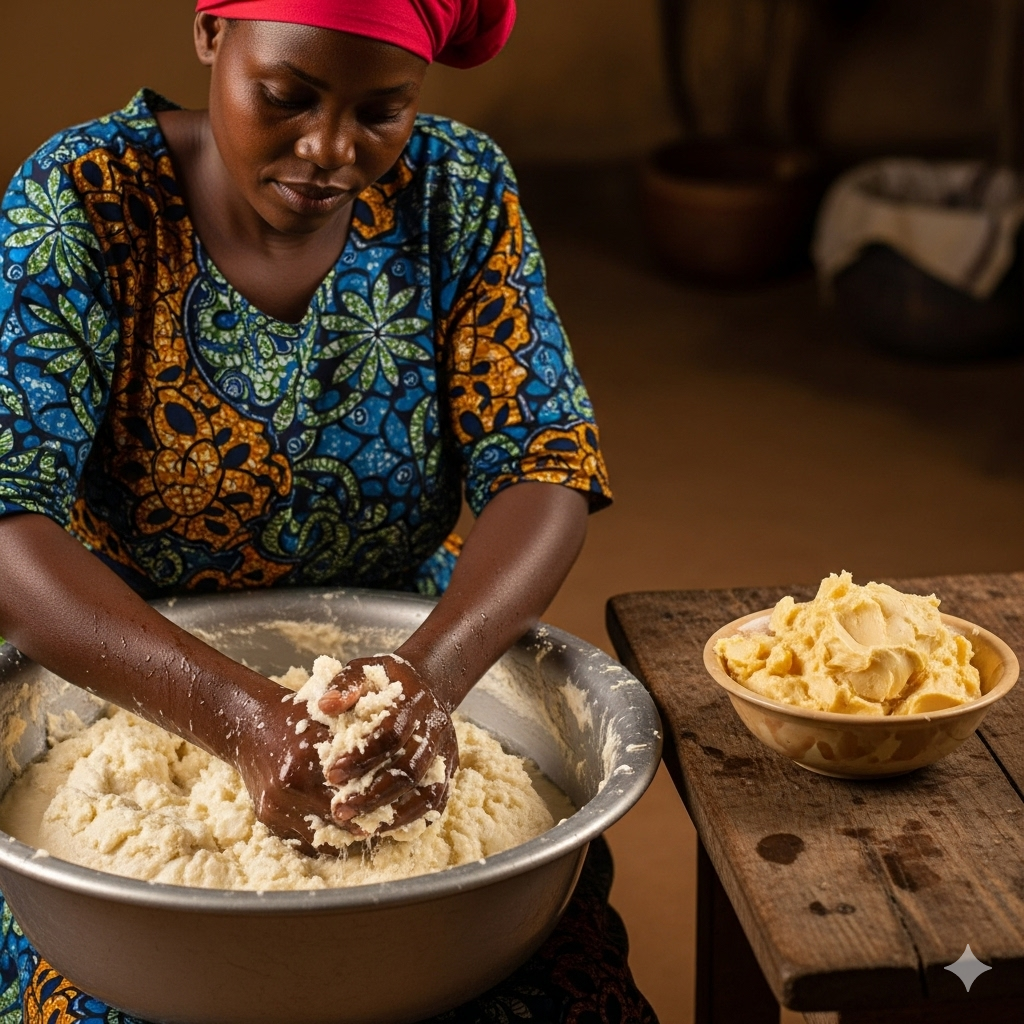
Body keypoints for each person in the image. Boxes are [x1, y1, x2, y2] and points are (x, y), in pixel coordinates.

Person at [0, 2, 656, 1021]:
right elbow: (11, 522)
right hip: (130, 701)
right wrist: (240, 720)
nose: (331, 148)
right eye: (287, 97)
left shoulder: (457, 193)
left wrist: (420, 691)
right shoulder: (85, 199)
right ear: (212, 33)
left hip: (421, 669)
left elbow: (543, 462)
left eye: (381, 110)